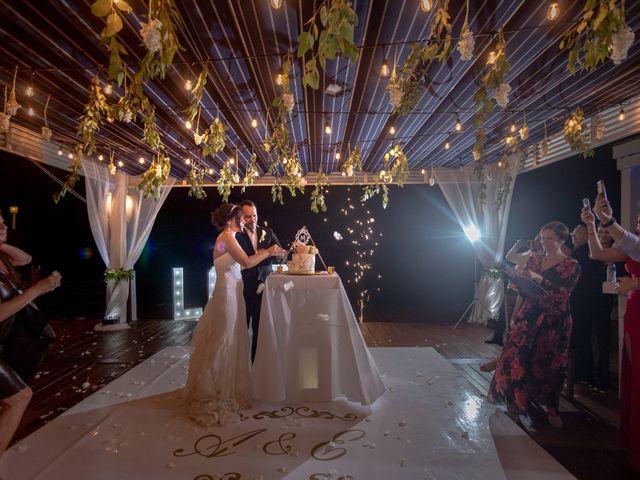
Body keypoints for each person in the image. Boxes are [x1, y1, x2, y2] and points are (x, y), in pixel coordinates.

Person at [183, 204, 284, 426]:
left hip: (232, 293)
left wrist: (269, 252)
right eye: (240, 218)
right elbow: (247, 262)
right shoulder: (227, 237)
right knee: (223, 339)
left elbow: (246, 263)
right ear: (230, 220)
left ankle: (225, 385)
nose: (243, 221)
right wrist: (268, 251)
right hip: (226, 295)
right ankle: (215, 391)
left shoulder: (229, 237)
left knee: (232, 338)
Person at [488, 221, 580, 429]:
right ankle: (515, 405)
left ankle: (552, 408)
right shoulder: (534, 260)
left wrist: (538, 278)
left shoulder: (572, 265)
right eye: (542, 237)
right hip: (528, 315)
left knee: (550, 364)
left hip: (554, 320)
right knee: (516, 359)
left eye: (549, 238)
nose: (544, 242)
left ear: (561, 240)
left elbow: (561, 295)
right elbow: (521, 289)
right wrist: (514, 313)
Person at [582, 205, 640, 471]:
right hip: (635, 311)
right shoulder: (635, 245)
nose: (639, 220)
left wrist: (637, 283)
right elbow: (599, 254)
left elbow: (627, 239)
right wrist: (592, 226)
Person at [0, 210, 61, 455]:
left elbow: (25, 259)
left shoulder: (3, 259)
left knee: (16, 398)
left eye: (3, 221)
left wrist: (2, 242)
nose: (4, 226)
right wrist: (37, 290)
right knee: (19, 397)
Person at [235, 200, 282, 362]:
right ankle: (239, 364)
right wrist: (262, 252)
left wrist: (280, 251)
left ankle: (257, 364)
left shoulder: (267, 232)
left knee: (260, 328)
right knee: (240, 328)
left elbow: (281, 253)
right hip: (243, 287)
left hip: (264, 286)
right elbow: (243, 260)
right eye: (248, 216)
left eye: (254, 215)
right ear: (241, 217)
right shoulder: (236, 235)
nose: (253, 219)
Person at [569, 224, 610, 388]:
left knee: (593, 339)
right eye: (573, 232)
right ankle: (585, 374)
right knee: (585, 338)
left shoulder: (587, 250)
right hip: (583, 302)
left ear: (588, 235)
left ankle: (594, 376)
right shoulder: (580, 251)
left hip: (592, 302)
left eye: (579, 232)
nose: (574, 235)